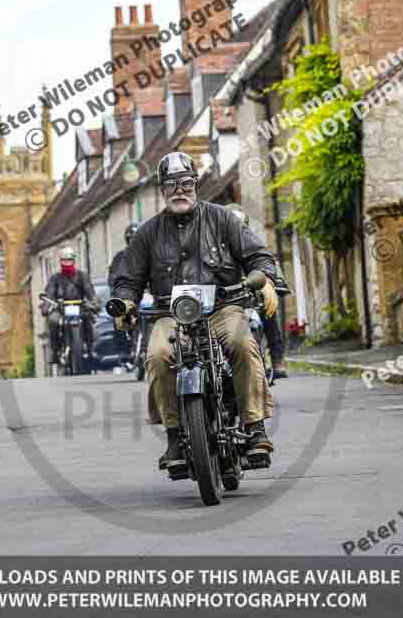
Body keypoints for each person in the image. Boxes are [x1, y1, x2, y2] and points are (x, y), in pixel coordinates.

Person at [111, 151, 279, 470]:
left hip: (222, 309)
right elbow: (128, 277)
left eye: (186, 182)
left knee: (244, 344)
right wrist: (124, 302)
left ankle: (255, 428)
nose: (179, 189)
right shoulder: (147, 234)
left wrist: (265, 278)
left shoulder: (223, 219)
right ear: (162, 189)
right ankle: (175, 436)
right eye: (172, 184)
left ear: (196, 185)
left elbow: (258, 255)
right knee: (158, 356)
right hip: (171, 316)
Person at [226, 203, 291, 380]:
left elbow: (266, 260)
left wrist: (275, 280)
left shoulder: (253, 244)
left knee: (269, 311)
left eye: (239, 226)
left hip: (252, 296)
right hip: (227, 301)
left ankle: (277, 360)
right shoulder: (217, 251)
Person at [41, 246, 100, 366]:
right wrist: (46, 306)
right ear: (60, 261)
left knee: (90, 319)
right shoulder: (55, 278)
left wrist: (94, 303)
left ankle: (91, 348)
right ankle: (55, 350)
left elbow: (90, 292)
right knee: (52, 321)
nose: (67, 263)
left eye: (69, 260)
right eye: (64, 260)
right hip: (61, 308)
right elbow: (50, 293)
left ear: (74, 260)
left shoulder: (82, 276)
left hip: (80, 307)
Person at [108, 223, 140, 368]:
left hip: (147, 296)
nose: (133, 242)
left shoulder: (150, 254)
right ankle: (124, 352)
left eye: (136, 238)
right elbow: (113, 277)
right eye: (131, 239)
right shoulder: (119, 258)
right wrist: (117, 290)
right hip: (129, 296)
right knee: (120, 316)